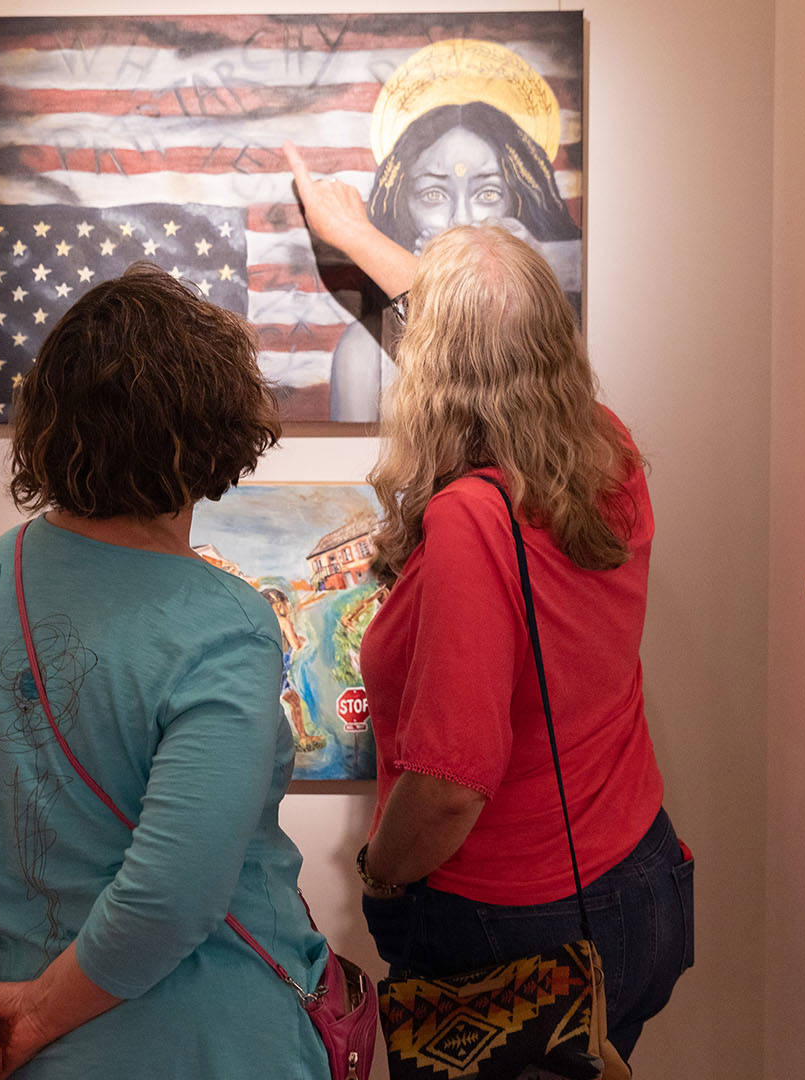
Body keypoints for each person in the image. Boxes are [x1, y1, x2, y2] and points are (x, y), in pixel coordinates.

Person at [0, 264, 332, 1080]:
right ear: (212, 431)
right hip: (198, 1043)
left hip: (3, 1050)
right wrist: (35, 1018)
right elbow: (171, 894)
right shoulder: (223, 622)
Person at [289, 200, 693, 1059]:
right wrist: (357, 239)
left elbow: (449, 784)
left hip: (517, 932)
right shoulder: (604, 446)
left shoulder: (473, 519)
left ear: (433, 368)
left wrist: (380, 879)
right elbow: (497, 340)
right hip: (642, 882)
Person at [287, 100, 583, 422]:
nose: (462, 219)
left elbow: (471, 322)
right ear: (403, 206)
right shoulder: (363, 352)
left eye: (488, 193)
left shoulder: (563, 338)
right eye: (433, 194)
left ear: (519, 203)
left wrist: (356, 234)